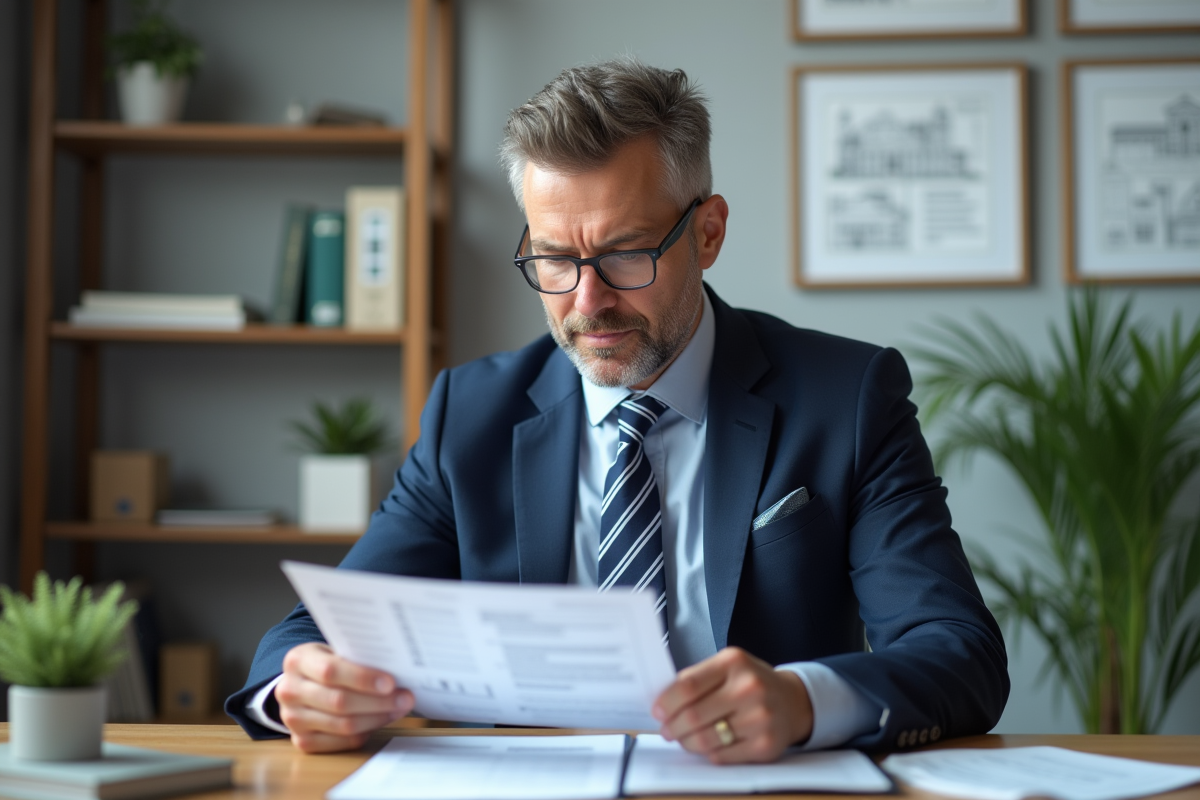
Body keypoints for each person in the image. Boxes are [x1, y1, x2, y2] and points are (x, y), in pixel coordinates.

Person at [226, 58, 1008, 762]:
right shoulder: (471, 414)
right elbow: (308, 636)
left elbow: (958, 652)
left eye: (626, 254)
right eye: (555, 260)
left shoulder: (847, 396)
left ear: (707, 233)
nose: (587, 302)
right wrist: (301, 691)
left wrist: (804, 701)